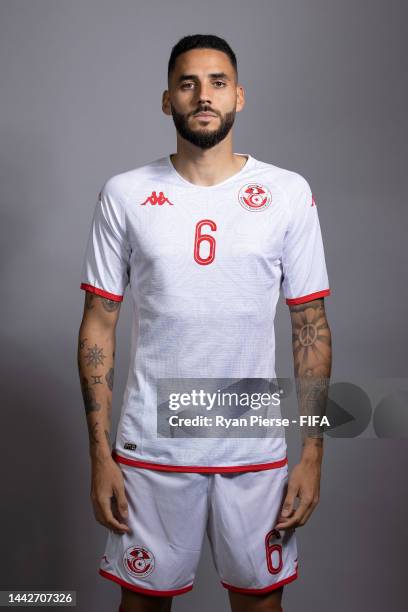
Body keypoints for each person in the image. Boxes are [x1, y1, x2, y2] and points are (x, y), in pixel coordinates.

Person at [77, 33, 332, 612]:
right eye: (188, 83)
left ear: (239, 96)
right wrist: (99, 457)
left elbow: (310, 327)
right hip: (150, 450)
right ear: (167, 100)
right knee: (141, 607)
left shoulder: (287, 193)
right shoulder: (126, 194)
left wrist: (312, 454)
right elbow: (98, 324)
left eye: (217, 82)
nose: (203, 95)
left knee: (260, 606)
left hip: (254, 447)